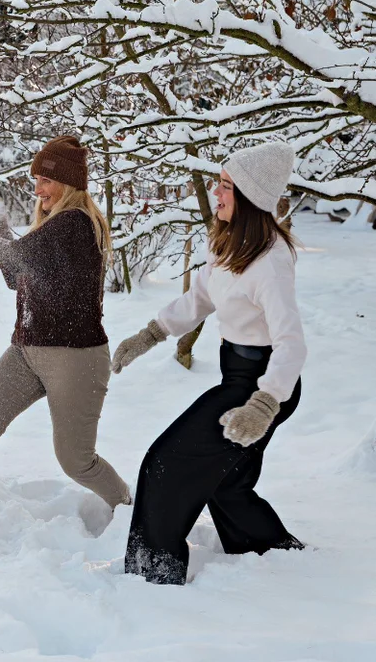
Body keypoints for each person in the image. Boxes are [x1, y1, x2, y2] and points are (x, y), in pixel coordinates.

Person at [112, 141, 306, 585]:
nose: (216, 194)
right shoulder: (229, 244)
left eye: (225, 186)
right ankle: (271, 549)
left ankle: (152, 573)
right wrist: (151, 334)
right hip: (238, 376)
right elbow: (199, 298)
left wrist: (263, 405)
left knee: (166, 462)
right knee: (225, 483)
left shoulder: (270, 263)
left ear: (251, 198)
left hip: (263, 387)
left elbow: (291, 344)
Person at [0, 135, 131, 525]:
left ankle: (133, 510)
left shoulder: (75, 224)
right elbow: (20, 272)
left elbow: (16, 258)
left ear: (69, 182)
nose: (38, 189)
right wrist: (1, 228)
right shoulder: (55, 225)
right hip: (26, 351)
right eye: (36, 180)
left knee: (76, 461)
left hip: (74, 359)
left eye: (45, 180)